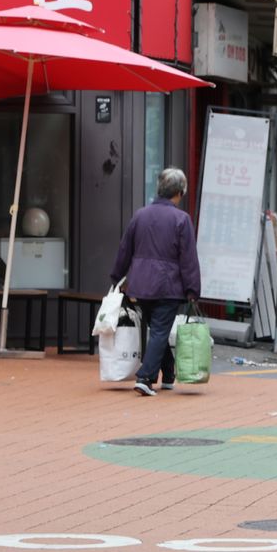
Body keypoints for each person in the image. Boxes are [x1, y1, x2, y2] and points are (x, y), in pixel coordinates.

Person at [110, 167, 200, 396]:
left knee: (157, 329)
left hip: (140, 284)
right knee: (160, 331)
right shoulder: (181, 219)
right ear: (179, 192)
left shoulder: (140, 215)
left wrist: (117, 276)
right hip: (168, 285)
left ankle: (168, 374)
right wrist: (192, 289)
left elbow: (125, 249)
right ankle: (146, 377)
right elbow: (188, 257)